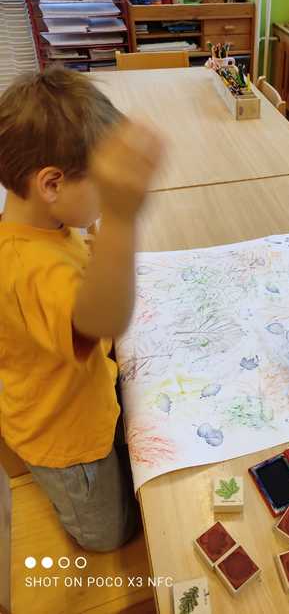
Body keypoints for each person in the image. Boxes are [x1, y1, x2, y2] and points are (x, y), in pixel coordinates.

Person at [0, 67, 164, 551]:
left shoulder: (42, 226)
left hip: (88, 401)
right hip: (66, 441)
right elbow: (101, 321)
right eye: (100, 187)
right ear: (51, 185)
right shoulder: (29, 269)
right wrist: (120, 215)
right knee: (111, 535)